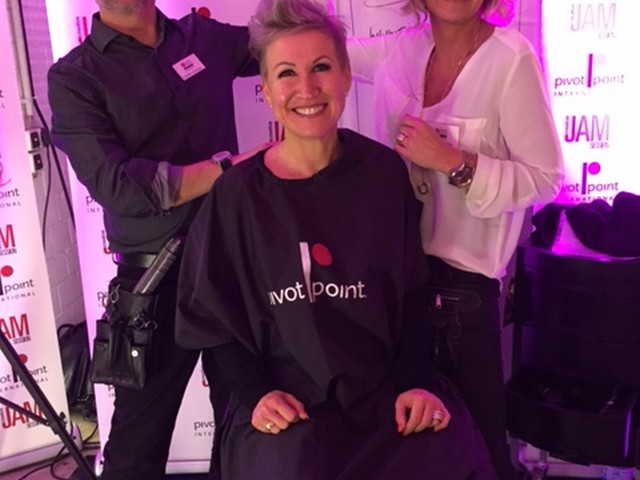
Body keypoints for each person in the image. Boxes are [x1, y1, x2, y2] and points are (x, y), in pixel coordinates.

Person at [175, 0, 498, 478]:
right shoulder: (237, 195)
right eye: (287, 73)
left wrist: (416, 382)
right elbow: (214, 319)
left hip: (384, 393)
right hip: (288, 404)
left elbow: (413, 292)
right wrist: (258, 394)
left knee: (449, 456)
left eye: (321, 67)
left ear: (347, 77)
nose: (306, 89)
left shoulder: (383, 174)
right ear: (266, 91)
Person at [47, 1, 265, 478]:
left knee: (246, 430)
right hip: (154, 283)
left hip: (233, 268)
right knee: (134, 452)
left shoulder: (204, 38)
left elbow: (282, 44)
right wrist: (226, 170)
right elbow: (119, 187)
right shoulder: (75, 77)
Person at [346, 1, 564, 478]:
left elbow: (546, 178)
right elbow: (324, 50)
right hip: (395, 286)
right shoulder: (402, 50)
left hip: (463, 294)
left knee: (479, 454)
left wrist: (452, 161)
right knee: (408, 453)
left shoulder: (510, 59)